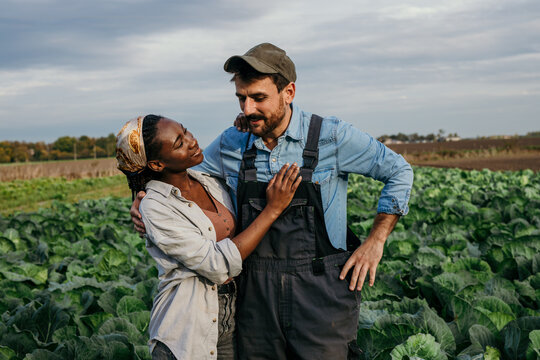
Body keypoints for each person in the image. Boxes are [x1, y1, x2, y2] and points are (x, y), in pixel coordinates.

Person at [131, 43, 414, 359]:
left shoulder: (331, 136)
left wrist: (376, 240)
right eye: (242, 98)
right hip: (256, 303)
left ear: (289, 92)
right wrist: (144, 198)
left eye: (258, 98)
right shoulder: (233, 142)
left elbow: (398, 170)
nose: (247, 108)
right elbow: (177, 175)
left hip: (321, 300)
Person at [116, 114, 301, 360]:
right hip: (187, 329)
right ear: (157, 165)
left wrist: (247, 123)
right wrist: (273, 210)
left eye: (185, 131)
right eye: (179, 143)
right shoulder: (155, 207)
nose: (192, 141)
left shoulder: (209, 180)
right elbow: (217, 265)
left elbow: (237, 144)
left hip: (233, 319)